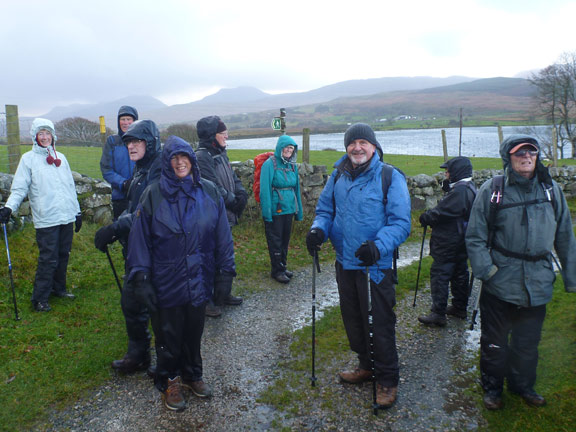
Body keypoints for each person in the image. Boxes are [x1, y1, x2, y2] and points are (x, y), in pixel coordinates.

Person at [465, 134, 576, 410]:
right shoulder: (492, 190)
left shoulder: (551, 190)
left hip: (538, 282)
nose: (526, 157)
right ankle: (492, 390)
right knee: (495, 343)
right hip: (500, 282)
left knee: (527, 342)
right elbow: (475, 236)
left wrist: (571, 279)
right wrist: (487, 272)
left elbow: (565, 236)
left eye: (532, 152)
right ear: (508, 157)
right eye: (519, 153)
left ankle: (522, 385)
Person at [126, 135, 235, 411]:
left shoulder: (209, 192)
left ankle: (192, 374)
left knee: (194, 331)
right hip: (166, 281)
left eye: (184, 157)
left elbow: (223, 236)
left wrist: (225, 272)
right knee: (168, 335)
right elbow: (140, 240)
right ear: (167, 162)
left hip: (199, 277)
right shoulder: (153, 194)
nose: (180, 163)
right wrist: (141, 277)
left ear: (192, 160)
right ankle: (169, 379)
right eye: (174, 158)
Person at [305, 123, 411, 408]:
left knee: (379, 322)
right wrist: (318, 230)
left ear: (374, 146)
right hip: (346, 262)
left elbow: (401, 223)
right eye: (352, 143)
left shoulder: (390, 176)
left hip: (375, 266)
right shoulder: (338, 175)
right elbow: (325, 211)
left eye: (363, 142)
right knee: (354, 319)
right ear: (347, 147)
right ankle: (366, 365)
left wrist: (378, 246)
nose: (357, 148)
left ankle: (387, 379)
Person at [94, 120, 162, 374]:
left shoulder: (159, 170)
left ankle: (169, 365)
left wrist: (115, 228)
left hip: (157, 251)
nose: (131, 147)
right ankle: (139, 354)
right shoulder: (141, 169)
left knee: (159, 308)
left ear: (150, 142)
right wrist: (118, 229)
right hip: (137, 248)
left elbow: (145, 212)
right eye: (128, 142)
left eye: (136, 141)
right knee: (131, 302)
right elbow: (133, 208)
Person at [0, 118, 82, 312]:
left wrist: (77, 212)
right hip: (47, 219)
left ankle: (58, 289)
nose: (45, 137)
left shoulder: (61, 158)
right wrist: (9, 207)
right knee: (48, 258)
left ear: (53, 135)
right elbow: (19, 188)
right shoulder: (28, 160)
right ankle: (39, 298)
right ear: (35, 137)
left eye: (48, 133)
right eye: (41, 133)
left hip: (66, 216)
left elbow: (70, 188)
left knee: (63, 254)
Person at [417, 156, 477, 327]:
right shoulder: (469, 187)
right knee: (459, 272)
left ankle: (438, 313)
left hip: (448, 241)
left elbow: (442, 212)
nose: (445, 173)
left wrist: (425, 217)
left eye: (448, 171)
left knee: (440, 275)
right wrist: (448, 187)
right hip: (461, 239)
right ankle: (459, 307)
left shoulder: (460, 191)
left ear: (456, 172)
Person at [196, 116, 246, 317]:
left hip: (226, 214)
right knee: (209, 258)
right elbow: (211, 186)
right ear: (211, 136)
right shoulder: (202, 157)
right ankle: (206, 300)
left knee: (225, 255)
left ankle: (223, 294)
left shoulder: (221, 153)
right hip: (211, 216)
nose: (226, 136)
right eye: (222, 133)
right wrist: (233, 201)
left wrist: (241, 193)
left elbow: (233, 177)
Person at [260, 135, 303, 284]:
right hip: (275, 209)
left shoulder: (293, 166)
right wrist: (267, 214)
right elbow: (264, 190)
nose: (289, 150)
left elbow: (296, 189)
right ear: (280, 148)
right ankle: (276, 271)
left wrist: (299, 213)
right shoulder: (269, 165)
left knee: (285, 240)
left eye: (291, 148)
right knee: (275, 240)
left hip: (289, 209)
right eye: (286, 147)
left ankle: (282, 267)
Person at [100, 106, 138, 220]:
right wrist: (124, 183)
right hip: (120, 197)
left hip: (140, 195)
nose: (125, 122)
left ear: (135, 121)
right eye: (123, 119)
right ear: (118, 121)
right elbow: (106, 169)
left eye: (129, 119)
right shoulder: (113, 141)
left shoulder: (141, 141)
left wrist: (138, 183)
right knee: (123, 231)